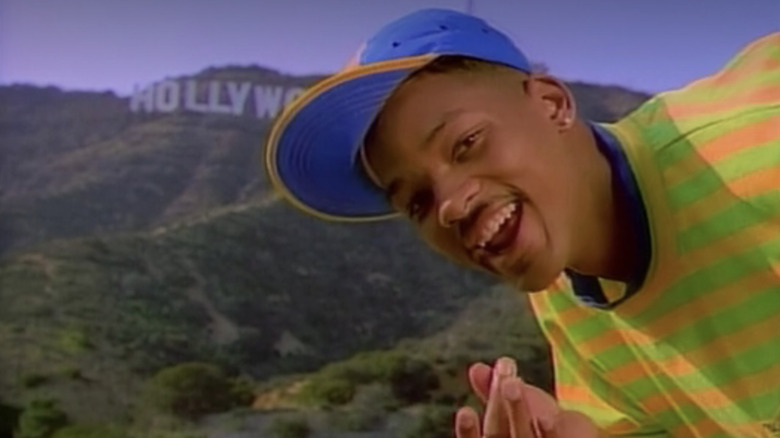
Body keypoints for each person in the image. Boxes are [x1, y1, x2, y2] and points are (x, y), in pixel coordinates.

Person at [264, 8, 780, 438]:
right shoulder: (566, 297)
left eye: (466, 143)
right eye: (418, 201)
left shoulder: (754, 148)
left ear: (552, 105)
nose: (450, 206)